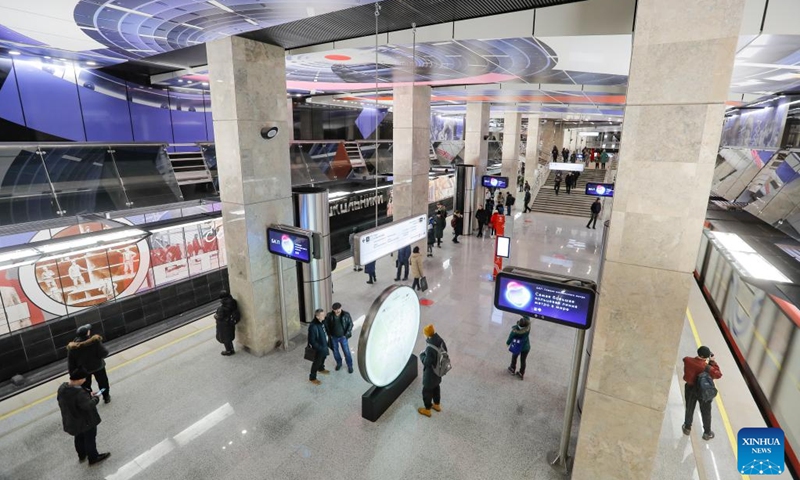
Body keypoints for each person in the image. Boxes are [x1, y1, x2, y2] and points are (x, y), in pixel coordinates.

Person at [57, 367, 111, 465]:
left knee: (78, 437)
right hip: (85, 421)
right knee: (90, 438)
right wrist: (95, 398)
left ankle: (82, 455)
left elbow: (74, 401)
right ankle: (93, 458)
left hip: (72, 420)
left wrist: (88, 394)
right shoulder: (79, 393)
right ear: (80, 379)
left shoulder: (62, 388)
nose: (85, 380)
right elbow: (88, 405)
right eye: (84, 378)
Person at [682, 346, 723, 440]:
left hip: (690, 389)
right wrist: (712, 362)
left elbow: (685, 359)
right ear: (706, 357)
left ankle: (687, 428)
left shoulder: (687, 360)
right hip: (704, 392)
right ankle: (707, 433)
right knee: (706, 412)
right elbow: (718, 374)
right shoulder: (708, 368)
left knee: (689, 408)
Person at [67, 325, 111, 404]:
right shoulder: (94, 342)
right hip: (98, 367)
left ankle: (89, 400)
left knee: (86, 386)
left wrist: (72, 375)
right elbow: (104, 353)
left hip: (84, 371)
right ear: (88, 333)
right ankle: (106, 396)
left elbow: (71, 363)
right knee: (103, 382)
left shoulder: (73, 348)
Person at [418, 324, 448, 417]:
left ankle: (427, 410)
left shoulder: (430, 347)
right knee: (436, 387)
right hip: (439, 371)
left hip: (431, 374)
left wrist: (422, 355)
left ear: (427, 334)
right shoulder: (440, 340)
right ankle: (437, 405)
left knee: (426, 391)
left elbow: (427, 362)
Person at [324, 302, 354, 373]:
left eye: (339, 309)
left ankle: (350, 365)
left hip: (343, 337)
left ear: (341, 308)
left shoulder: (346, 315)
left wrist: (346, 334)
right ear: (333, 310)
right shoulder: (329, 316)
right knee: (335, 351)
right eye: (336, 310)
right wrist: (329, 334)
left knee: (346, 351)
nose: (337, 311)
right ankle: (339, 363)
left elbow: (350, 324)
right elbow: (326, 324)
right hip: (334, 337)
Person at [308, 309, 330, 385]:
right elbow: (312, 341)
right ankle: (312, 377)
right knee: (316, 362)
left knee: (324, 358)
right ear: (317, 316)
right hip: (320, 348)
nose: (324, 316)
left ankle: (321, 369)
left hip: (324, 345)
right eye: (322, 315)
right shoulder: (313, 326)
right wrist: (320, 348)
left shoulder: (322, 322)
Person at [215, 290, 240, 355]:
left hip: (224, 325)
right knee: (229, 337)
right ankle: (231, 349)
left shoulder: (222, 308)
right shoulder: (233, 302)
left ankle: (229, 351)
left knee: (225, 338)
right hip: (231, 323)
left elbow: (220, 317)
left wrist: (215, 316)